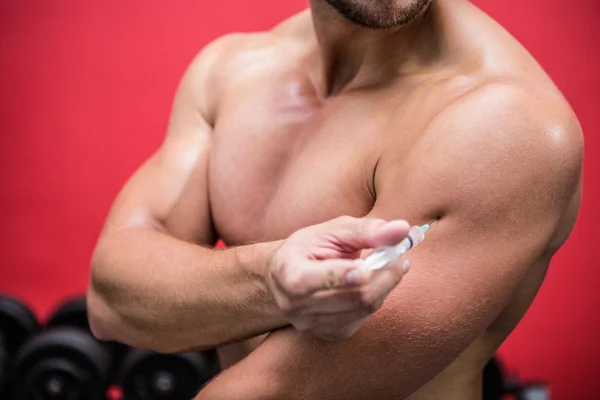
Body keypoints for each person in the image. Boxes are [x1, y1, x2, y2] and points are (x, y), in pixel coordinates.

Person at [86, 0, 583, 398]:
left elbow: (273, 390)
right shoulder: (231, 72)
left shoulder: (501, 125)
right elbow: (111, 302)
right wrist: (269, 278)